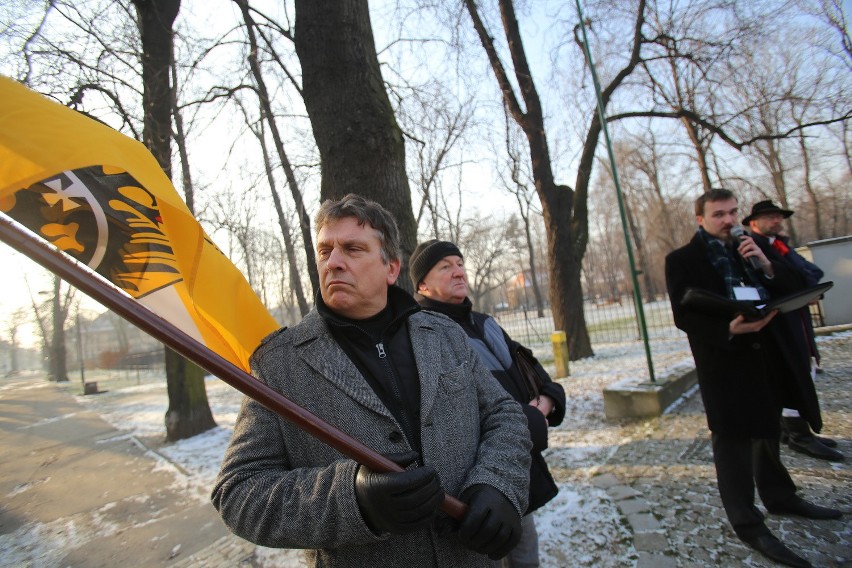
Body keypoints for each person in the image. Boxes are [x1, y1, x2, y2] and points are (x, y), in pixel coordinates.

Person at [212, 194, 532, 568]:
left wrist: (498, 483)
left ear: (391, 269)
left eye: (352, 248)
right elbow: (238, 493)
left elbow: (504, 413)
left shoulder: (445, 335)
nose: (333, 262)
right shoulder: (280, 363)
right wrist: (354, 501)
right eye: (324, 250)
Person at [664, 189, 842, 568]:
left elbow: (799, 287)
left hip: (769, 356)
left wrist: (767, 265)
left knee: (768, 430)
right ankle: (747, 522)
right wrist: (728, 329)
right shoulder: (683, 259)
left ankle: (779, 496)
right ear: (701, 219)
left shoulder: (753, 249)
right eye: (718, 215)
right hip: (726, 361)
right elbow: (684, 314)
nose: (728, 220)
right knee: (733, 443)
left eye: (732, 212)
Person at [409, 239, 567, 568]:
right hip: (478, 482)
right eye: (445, 267)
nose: (458, 272)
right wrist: (532, 416)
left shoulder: (485, 323)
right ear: (422, 283)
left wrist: (545, 403)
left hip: (519, 468)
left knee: (526, 558)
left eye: (459, 263)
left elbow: (538, 375)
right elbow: (461, 413)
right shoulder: (425, 335)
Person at [744, 200, 843, 462]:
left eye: (778, 216)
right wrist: (795, 283)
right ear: (754, 223)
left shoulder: (780, 245)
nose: (776, 221)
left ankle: (793, 431)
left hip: (796, 317)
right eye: (770, 217)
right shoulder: (755, 246)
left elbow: (811, 273)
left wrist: (800, 284)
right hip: (780, 322)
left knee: (801, 368)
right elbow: (782, 280)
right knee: (790, 372)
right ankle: (799, 435)